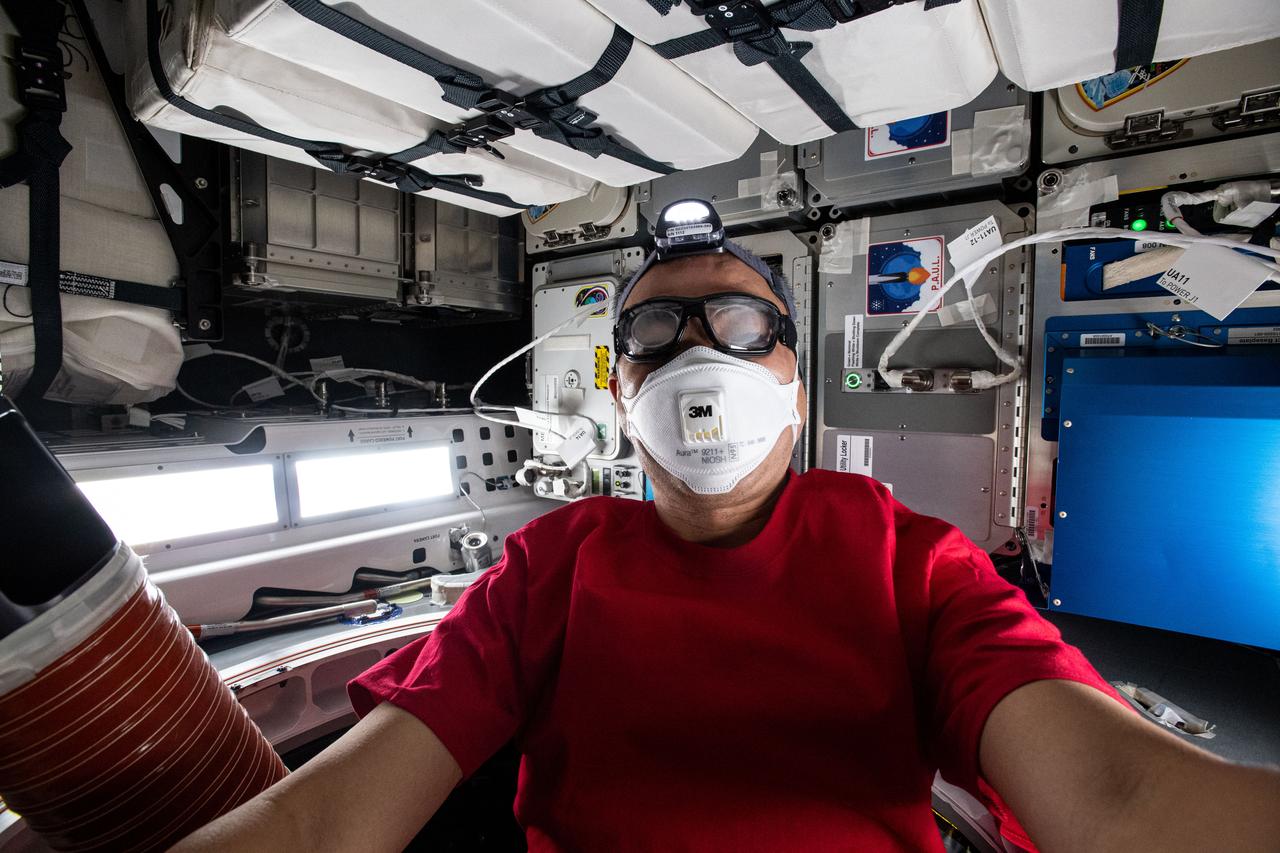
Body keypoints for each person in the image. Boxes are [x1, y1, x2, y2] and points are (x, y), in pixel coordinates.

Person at [173, 201, 1280, 852]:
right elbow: (326, 819)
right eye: (655, 332)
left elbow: (1116, 794)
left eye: (743, 324)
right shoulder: (544, 570)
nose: (700, 356)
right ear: (621, 395)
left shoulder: (908, 560)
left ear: (795, 386)